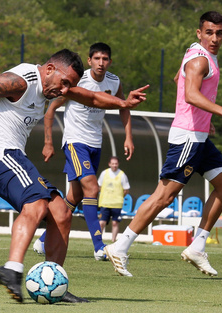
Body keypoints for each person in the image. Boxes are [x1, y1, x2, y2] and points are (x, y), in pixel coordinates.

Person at [0, 48, 148, 303]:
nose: (64, 91)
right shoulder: (22, 82)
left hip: (13, 158)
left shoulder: (51, 86)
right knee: (36, 204)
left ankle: (55, 280)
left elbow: (92, 98)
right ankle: (12, 268)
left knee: (61, 212)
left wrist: (123, 103)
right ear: (49, 69)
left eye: (69, 86)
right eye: (64, 83)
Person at [103, 11, 222, 277]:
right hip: (187, 138)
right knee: (164, 197)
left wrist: (204, 118)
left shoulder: (195, 54)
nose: (215, 38)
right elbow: (191, 93)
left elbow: (177, 80)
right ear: (199, 33)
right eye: (209, 32)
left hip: (199, 136)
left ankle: (197, 246)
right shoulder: (199, 60)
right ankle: (120, 246)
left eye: (219, 33)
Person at [34, 43, 134, 261]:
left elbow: (123, 106)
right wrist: (48, 142)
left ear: (110, 61)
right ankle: (99, 246)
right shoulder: (78, 82)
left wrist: (128, 137)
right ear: (89, 61)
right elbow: (51, 110)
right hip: (75, 142)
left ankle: (43, 239)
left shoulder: (114, 82)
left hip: (95, 144)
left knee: (76, 196)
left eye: (105, 59)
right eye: (97, 58)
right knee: (92, 188)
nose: (101, 62)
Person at [98, 156, 131, 243]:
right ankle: (98, 240)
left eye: (116, 163)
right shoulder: (104, 173)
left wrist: (119, 196)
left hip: (117, 203)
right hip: (105, 202)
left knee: (115, 223)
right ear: (109, 164)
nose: (114, 165)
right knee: (101, 223)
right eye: (112, 163)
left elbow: (126, 189)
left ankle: (113, 240)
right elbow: (99, 186)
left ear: (118, 164)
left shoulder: (122, 175)